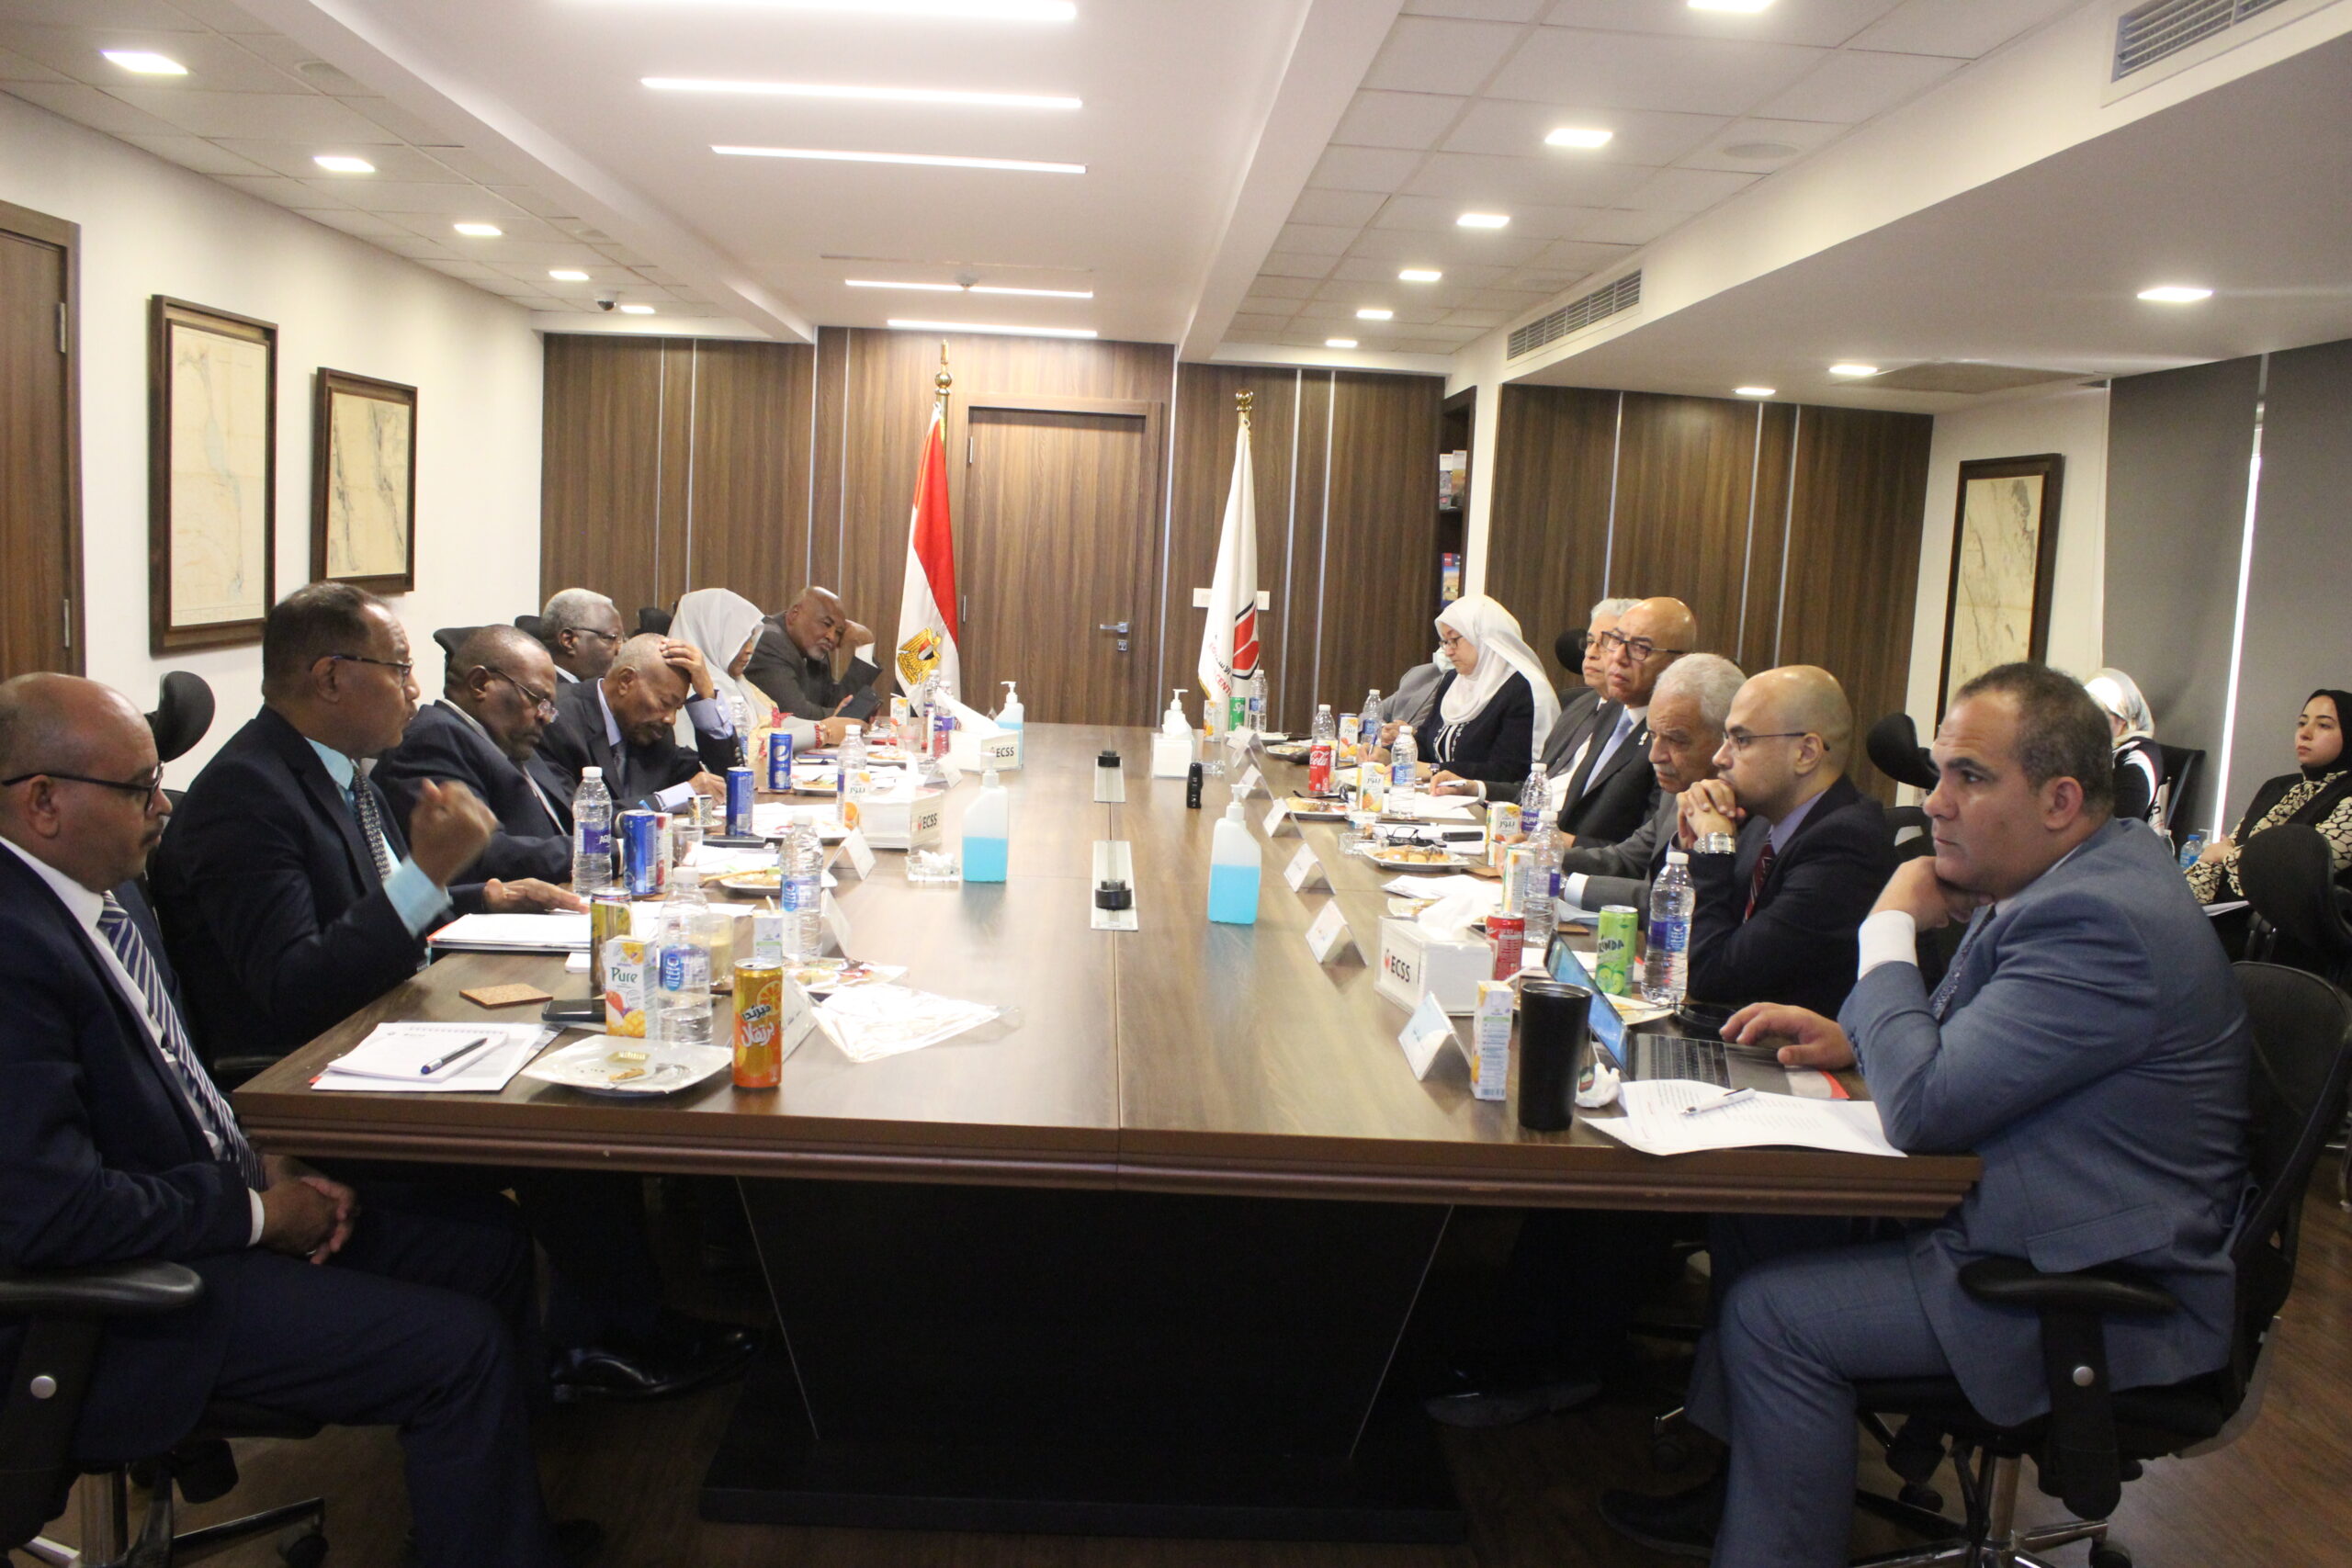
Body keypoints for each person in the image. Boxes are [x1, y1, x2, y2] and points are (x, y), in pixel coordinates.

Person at [1601, 663, 2250, 1566]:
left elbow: (1924, 1107)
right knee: (1759, 1222)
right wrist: (1857, 1038)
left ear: (2061, 799)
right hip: (2025, 1208)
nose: (1935, 802)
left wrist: (1887, 926)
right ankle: (1739, 1495)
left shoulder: (2096, 919)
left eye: (1969, 777)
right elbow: (1965, 1036)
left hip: (2090, 1277)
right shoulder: (2068, 873)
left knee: (1772, 1317)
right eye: (1939, 771)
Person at [0, 674, 593, 1568]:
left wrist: (264, 1159)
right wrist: (259, 1213)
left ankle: (494, 1523)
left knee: (491, 1247)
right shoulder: (15, 947)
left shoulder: (102, 899)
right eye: (138, 788)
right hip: (112, 1305)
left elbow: (175, 1078)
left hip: (199, 1208)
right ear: (43, 801)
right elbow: (52, 1213)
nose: (163, 805)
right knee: (458, 1350)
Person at [151, 584, 579, 1063]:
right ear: (330, 678)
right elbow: (294, 988)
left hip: (397, 1017)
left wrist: (483, 897)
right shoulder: (245, 793)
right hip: (314, 1063)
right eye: (400, 670)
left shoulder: (346, 774)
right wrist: (427, 874)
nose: (414, 690)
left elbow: (366, 910)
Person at [1676, 666, 1892, 1016]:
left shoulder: (1846, 847)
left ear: (1806, 753)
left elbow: (1711, 976)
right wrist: (1694, 839)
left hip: (1790, 1046)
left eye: (1741, 740)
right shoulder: (1761, 817)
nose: (1719, 758)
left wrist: (1714, 843)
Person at [375, 626, 572, 884]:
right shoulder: (434, 739)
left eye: (549, 707)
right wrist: (600, 853)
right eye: (536, 698)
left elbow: (577, 808)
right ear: (479, 684)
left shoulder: (513, 741)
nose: (544, 717)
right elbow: (477, 853)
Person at [1564, 652, 1744, 912]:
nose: (1655, 756)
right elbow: (1627, 859)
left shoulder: (1747, 809)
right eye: (1652, 736)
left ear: (1727, 738)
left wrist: (1562, 885)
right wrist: (1542, 858)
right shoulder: (1682, 787)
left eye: (1676, 740)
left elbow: (1682, 901)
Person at [530, 632, 743, 813]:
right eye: (665, 703)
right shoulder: (557, 721)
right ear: (626, 681)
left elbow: (723, 783)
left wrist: (707, 694)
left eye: (677, 708)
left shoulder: (653, 731)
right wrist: (671, 798)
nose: (670, 719)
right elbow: (575, 817)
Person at [2186, 688, 2352, 904]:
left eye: (2324, 725)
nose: (2305, 733)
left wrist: (2225, 856)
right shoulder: (2278, 787)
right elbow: (2214, 858)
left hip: (2282, 922)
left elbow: (2290, 873)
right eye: (2302, 723)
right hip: (2223, 911)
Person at [1555, 596, 1697, 847]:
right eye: (1616, 640)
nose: (1618, 657)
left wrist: (1564, 845)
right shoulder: (1611, 708)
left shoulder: (1675, 739)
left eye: (1640, 648)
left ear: (1678, 663)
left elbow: (1648, 851)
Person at [1391, 594, 1559, 787]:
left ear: (1484, 637)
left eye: (1454, 640)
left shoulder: (1524, 690)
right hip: (1442, 795)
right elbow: (1425, 741)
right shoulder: (1453, 681)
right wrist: (1388, 754)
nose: (1448, 651)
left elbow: (1509, 772)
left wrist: (1434, 770)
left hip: (1491, 802)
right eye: (1445, 642)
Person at [744, 585, 879, 723]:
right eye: (826, 624)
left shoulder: (813, 646)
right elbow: (796, 714)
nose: (831, 637)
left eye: (838, 632)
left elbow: (834, 702)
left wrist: (865, 645)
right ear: (794, 614)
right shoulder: (769, 640)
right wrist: (847, 716)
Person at [1542, 596, 1636, 775]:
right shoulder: (1575, 706)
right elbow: (1537, 782)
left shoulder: (1636, 722)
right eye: (1590, 642)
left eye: (1607, 643)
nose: (1591, 653)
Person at [2085, 666, 2166, 831]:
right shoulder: (2093, 749)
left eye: (2098, 715)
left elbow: (2123, 820)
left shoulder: (2140, 756)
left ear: (2122, 718)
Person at [537, 588, 625, 684]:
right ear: (569, 641)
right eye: (612, 638)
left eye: (622, 639)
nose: (620, 649)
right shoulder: (545, 691)